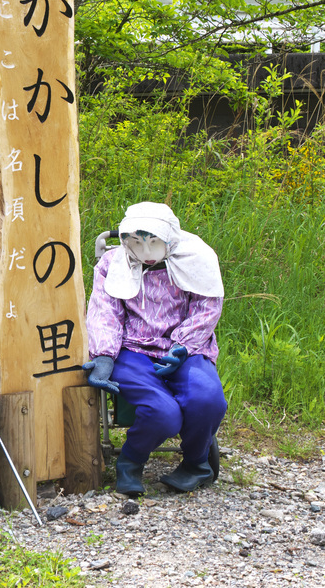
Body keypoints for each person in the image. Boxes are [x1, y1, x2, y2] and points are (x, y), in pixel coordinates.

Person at [82, 202, 227, 497]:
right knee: (162, 412)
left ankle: (197, 464)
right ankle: (130, 462)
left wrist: (184, 345)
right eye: (136, 242)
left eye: (153, 242)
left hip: (187, 349)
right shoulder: (113, 263)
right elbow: (105, 311)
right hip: (133, 348)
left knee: (207, 399)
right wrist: (104, 355)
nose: (146, 252)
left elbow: (207, 306)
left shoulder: (197, 257)